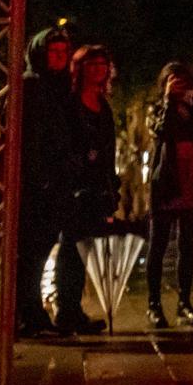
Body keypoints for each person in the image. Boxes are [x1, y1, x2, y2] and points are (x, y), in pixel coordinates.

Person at [143, 62, 193, 329]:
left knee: (187, 245)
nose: (179, 86)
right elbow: (162, 129)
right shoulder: (156, 109)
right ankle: (154, 306)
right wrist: (167, 100)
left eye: (184, 81)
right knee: (158, 245)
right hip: (166, 182)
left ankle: (184, 303)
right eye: (173, 81)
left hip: (192, 178)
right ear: (164, 83)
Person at [57, 44, 123, 334]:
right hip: (73, 185)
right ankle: (66, 310)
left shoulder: (103, 106)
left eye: (103, 65)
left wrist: (111, 184)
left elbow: (109, 149)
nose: (98, 70)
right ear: (80, 67)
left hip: (97, 187)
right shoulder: (70, 103)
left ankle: (73, 309)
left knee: (84, 249)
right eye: (92, 64)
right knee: (71, 247)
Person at [15, 25, 75, 337]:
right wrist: (41, 179)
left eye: (63, 53)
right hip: (38, 185)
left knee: (40, 251)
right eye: (53, 52)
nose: (59, 58)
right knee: (31, 252)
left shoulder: (60, 86)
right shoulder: (33, 86)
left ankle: (31, 311)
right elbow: (33, 140)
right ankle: (28, 313)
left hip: (54, 183)